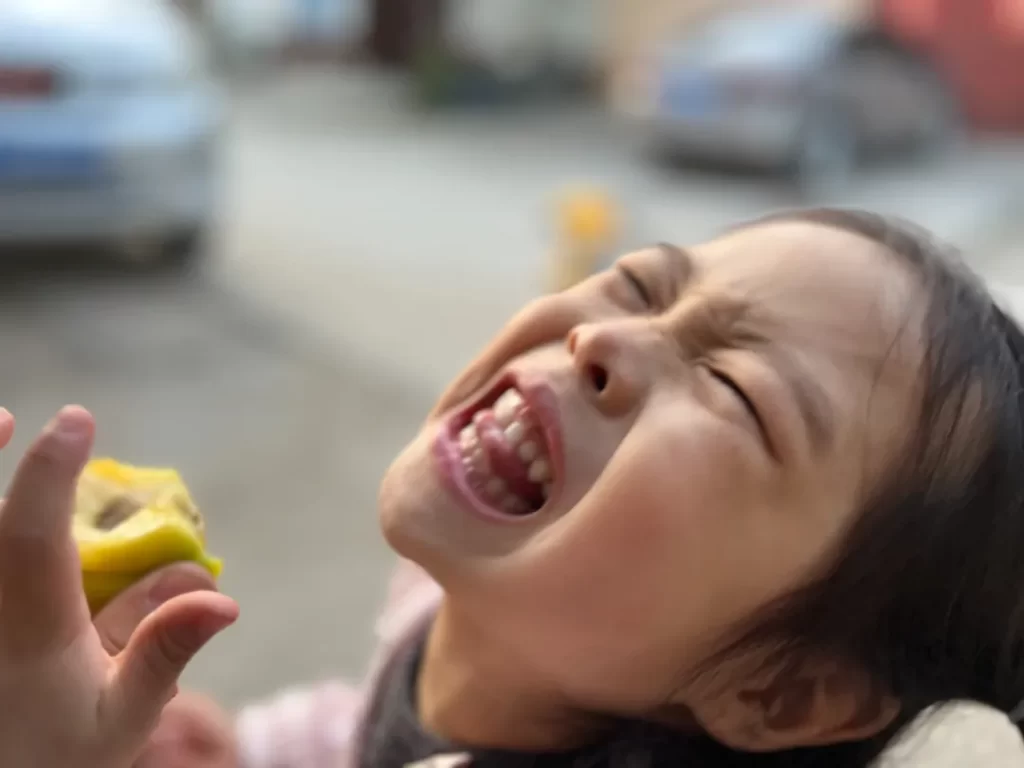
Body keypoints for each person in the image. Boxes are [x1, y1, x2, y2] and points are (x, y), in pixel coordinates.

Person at [5, 208, 1024, 768]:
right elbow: (369, 715)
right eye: (641, 285)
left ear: (782, 690)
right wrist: (245, 753)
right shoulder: (454, 607)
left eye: (736, 392)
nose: (605, 337)